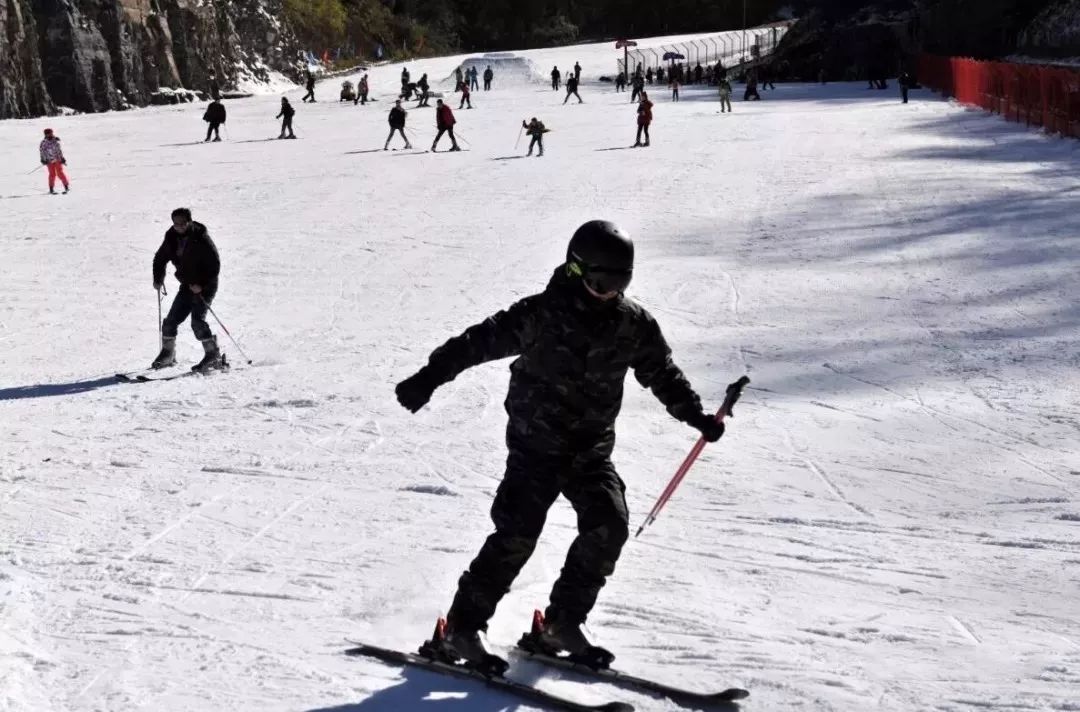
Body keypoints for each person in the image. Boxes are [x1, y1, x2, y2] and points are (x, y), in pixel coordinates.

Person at [395, 221, 725, 669]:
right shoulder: (540, 314)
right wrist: (428, 378)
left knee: (609, 524)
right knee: (517, 535)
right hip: (536, 448)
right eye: (601, 280)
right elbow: (474, 343)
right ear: (577, 269)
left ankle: (561, 623)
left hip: (591, 450)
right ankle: (461, 630)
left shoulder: (632, 324)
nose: (610, 291)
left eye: (620, 281)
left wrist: (696, 415)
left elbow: (661, 372)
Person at [151, 208, 224, 373]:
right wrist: (158, 278)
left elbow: (214, 265)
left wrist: (202, 285)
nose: (179, 227)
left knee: (197, 321)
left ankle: (213, 355)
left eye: (182, 223)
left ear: (189, 222)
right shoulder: (171, 237)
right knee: (170, 321)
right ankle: (168, 354)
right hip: (187, 284)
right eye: (176, 224)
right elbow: (160, 258)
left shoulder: (201, 238)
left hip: (205, 285)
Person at [38, 128, 69, 195]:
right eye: (48, 133)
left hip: (57, 159)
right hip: (49, 161)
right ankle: (51, 189)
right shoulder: (43, 142)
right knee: (52, 174)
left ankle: (66, 187)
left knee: (60, 173)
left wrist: (62, 158)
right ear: (45, 134)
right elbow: (42, 152)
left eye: (51, 133)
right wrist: (43, 159)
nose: (50, 134)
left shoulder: (55, 140)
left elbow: (59, 151)